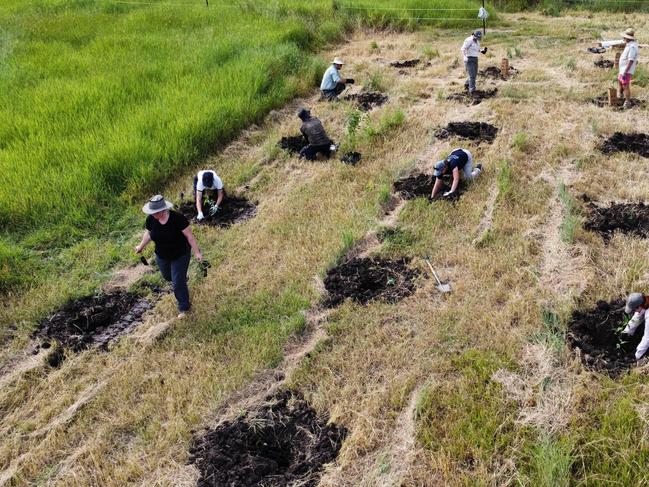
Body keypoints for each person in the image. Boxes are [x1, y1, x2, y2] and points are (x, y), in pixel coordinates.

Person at [135, 195, 203, 318]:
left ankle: (184, 308)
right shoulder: (151, 220)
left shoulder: (178, 219)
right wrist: (141, 246)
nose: (153, 215)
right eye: (152, 212)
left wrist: (197, 252)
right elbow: (149, 234)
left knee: (177, 283)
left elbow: (189, 237)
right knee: (168, 276)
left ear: (163, 210)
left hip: (180, 253)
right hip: (162, 255)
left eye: (155, 212)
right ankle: (181, 279)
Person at [621, 292, 649, 364]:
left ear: (639, 306)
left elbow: (647, 338)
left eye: (634, 310)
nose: (634, 312)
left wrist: (637, 356)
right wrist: (626, 332)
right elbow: (637, 317)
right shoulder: (645, 303)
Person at [461, 30, 488, 94]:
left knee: (474, 74)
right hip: (469, 59)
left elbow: (477, 49)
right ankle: (472, 90)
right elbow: (463, 49)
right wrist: (466, 57)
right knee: (472, 75)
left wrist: (482, 50)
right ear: (474, 35)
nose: (478, 39)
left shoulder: (477, 41)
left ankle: (467, 84)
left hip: (475, 58)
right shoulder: (469, 40)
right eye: (477, 38)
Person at [618, 28, 639, 109]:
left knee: (625, 85)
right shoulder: (629, 45)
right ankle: (620, 96)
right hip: (622, 69)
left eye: (624, 37)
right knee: (620, 81)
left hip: (626, 70)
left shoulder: (632, 47)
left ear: (628, 38)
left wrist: (625, 71)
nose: (623, 38)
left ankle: (627, 102)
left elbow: (630, 60)